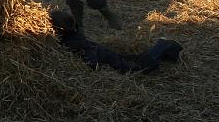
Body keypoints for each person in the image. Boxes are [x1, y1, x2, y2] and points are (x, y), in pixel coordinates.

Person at [50, 10, 182, 74]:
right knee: (137, 59)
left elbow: (91, 59)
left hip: (110, 60)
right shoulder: (73, 35)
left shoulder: (73, 42)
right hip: (107, 55)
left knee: (142, 67)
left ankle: (164, 45)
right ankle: (168, 52)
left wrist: (91, 66)